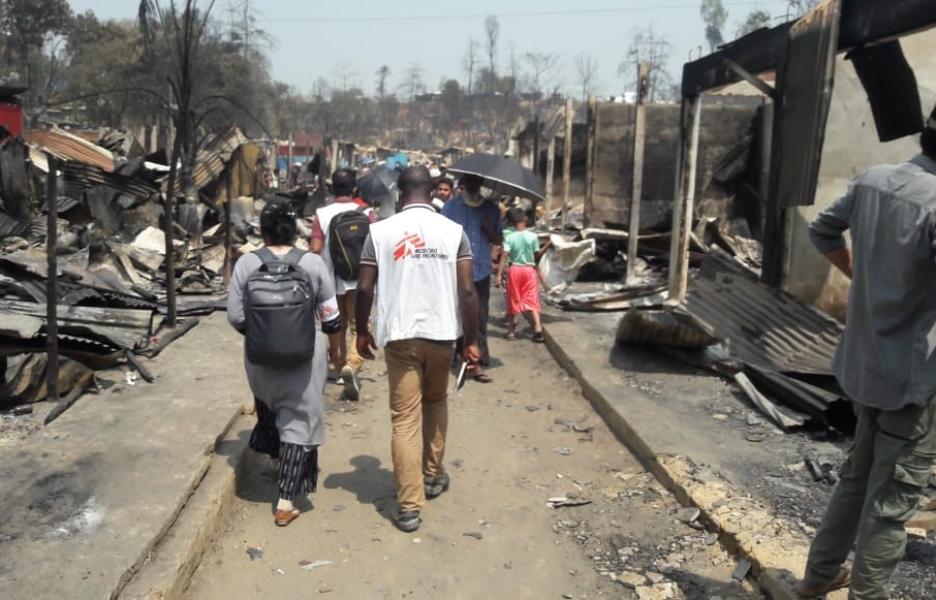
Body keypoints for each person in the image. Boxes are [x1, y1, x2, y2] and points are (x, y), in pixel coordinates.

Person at [797, 107, 936, 599]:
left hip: (862, 368)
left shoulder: (874, 181)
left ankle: (818, 578)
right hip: (911, 380)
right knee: (892, 499)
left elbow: (822, 231)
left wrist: (861, 276)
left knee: (857, 477)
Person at [355, 165, 480, 533]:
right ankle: (432, 474)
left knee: (405, 420)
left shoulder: (378, 232)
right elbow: (468, 291)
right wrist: (470, 340)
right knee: (436, 402)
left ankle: (409, 507)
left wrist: (361, 332)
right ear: (432, 192)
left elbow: (363, 289)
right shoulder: (454, 232)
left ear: (399, 192)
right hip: (442, 334)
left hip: (401, 337)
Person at [227, 200, 343, 527]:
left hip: (258, 359)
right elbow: (331, 319)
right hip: (305, 358)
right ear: (294, 232)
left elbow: (235, 316)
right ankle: (285, 502)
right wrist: (334, 351)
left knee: (269, 403)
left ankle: (277, 460)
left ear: (263, 231)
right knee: (299, 422)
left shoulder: (246, 264)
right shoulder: (313, 263)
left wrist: (263, 335)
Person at [309, 168, 375, 400]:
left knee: (335, 324)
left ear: (332, 188)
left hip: (329, 279)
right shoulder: (367, 212)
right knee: (359, 324)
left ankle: (338, 365)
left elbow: (316, 248)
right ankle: (353, 364)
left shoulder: (322, 213)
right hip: (360, 279)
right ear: (355, 189)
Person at [441, 174, 502, 382]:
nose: (473, 185)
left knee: (479, 314)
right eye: (470, 182)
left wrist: (486, 229)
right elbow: (440, 236)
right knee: (456, 313)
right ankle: (459, 355)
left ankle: (477, 357)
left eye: (477, 182)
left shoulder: (491, 209)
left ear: (481, 184)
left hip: (481, 269)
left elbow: (498, 239)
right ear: (463, 184)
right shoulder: (450, 208)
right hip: (454, 268)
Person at [495, 208, 548, 342]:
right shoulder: (533, 236)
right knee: (532, 300)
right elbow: (537, 255)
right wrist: (548, 245)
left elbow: (504, 256)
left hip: (515, 270)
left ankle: (512, 332)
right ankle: (538, 329)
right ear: (525, 220)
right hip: (529, 271)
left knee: (513, 300)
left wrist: (499, 275)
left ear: (512, 222)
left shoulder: (510, 237)